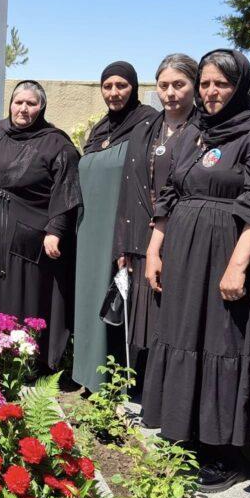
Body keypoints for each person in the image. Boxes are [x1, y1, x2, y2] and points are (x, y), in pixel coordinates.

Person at [142, 49, 250, 492]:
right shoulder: (197, 131)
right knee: (184, 335)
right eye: (206, 83)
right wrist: (155, 250)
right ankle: (186, 432)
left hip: (225, 252)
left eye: (221, 84)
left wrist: (237, 266)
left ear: (240, 86)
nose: (211, 92)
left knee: (220, 342)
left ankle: (222, 452)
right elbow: (170, 193)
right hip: (184, 253)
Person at [0, 80, 82, 369]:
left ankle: (20, 366)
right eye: (19, 102)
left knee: (16, 302)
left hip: (23, 245)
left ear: (42, 107)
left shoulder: (56, 144)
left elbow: (67, 191)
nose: (23, 109)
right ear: (10, 104)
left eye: (31, 103)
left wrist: (56, 230)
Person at [72, 61, 159, 391]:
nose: (113, 92)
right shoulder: (100, 129)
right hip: (90, 231)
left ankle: (119, 382)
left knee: (121, 301)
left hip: (124, 228)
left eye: (121, 85)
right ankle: (90, 376)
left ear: (134, 87)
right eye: (107, 86)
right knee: (91, 298)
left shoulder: (148, 124)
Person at [112, 53, 199, 371]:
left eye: (179, 84)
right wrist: (122, 244)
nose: (170, 93)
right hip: (140, 239)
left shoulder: (205, 130)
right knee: (144, 322)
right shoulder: (146, 129)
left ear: (194, 85)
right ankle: (145, 384)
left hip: (181, 238)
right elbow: (128, 188)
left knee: (175, 318)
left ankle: (172, 382)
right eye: (163, 86)